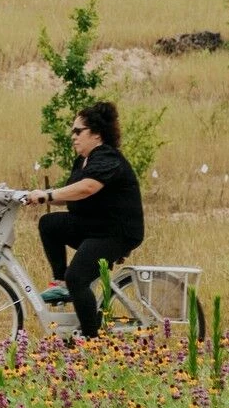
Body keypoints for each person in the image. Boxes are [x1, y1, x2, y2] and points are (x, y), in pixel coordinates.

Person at [23, 100, 143, 338]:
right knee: (49, 224)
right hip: (94, 226)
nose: (73, 137)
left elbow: (87, 188)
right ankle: (60, 285)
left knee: (77, 277)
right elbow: (70, 193)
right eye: (72, 132)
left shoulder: (107, 157)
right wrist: (33, 197)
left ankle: (90, 342)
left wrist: (47, 194)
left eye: (78, 131)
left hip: (115, 232)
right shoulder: (83, 161)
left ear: (97, 134)